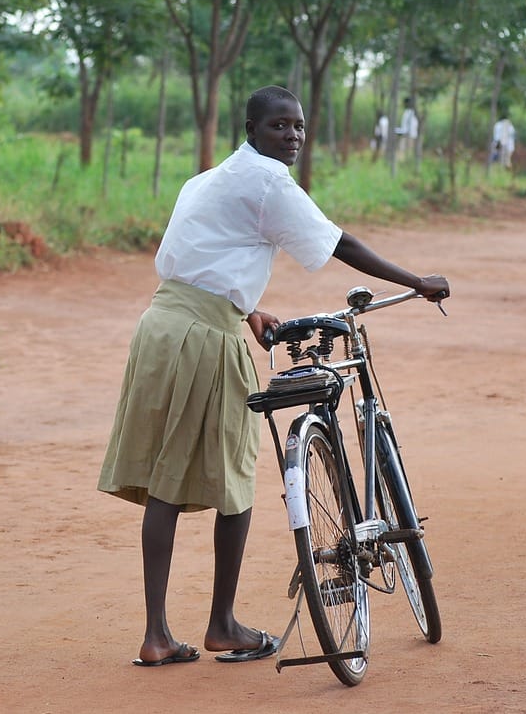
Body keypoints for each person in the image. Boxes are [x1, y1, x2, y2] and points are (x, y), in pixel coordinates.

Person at [97, 85, 450, 667]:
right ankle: (222, 625)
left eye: (299, 127)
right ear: (252, 129)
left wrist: (246, 309)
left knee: (164, 479)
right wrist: (416, 281)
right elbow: (341, 243)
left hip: (162, 326)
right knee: (236, 478)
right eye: (279, 126)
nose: (292, 136)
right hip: (203, 342)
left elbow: (199, 258)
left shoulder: (206, 178)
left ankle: (157, 634)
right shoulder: (269, 183)